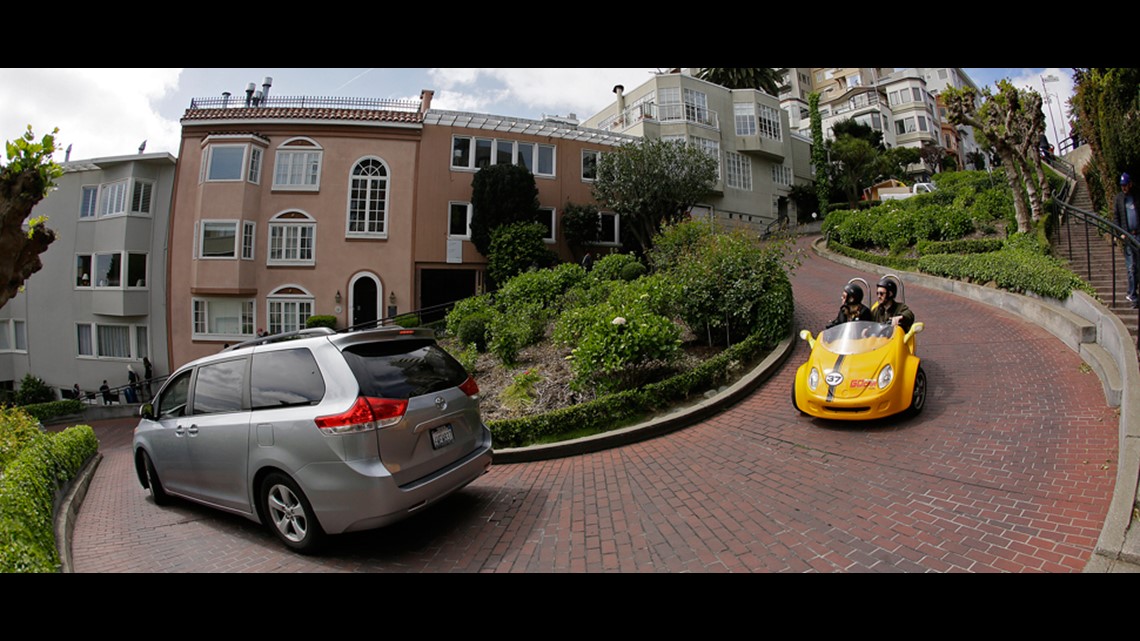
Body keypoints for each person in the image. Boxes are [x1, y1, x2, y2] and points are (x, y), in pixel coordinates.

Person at [1114, 172, 1140, 308]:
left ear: (1130, 184)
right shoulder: (1119, 199)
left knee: (1138, 267)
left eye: (1125, 185)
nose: (1123, 188)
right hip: (1128, 236)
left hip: (1138, 235)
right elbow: (1116, 218)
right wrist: (1120, 233)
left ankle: (1134, 293)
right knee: (1131, 267)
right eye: (1122, 185)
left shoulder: (1135, 197)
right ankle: (1132, 294)